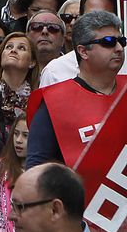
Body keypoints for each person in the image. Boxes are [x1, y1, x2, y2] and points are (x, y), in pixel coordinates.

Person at [27, 10, 125, 168]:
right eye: (108, 42)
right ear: (83, 51)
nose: (119, 48)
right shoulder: (54, 102)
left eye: (122, 41)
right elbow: (37, 168)